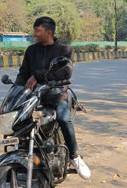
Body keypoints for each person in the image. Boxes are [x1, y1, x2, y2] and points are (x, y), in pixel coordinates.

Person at [15, 16, 91, 180]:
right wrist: (17, 89)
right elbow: (23, 73)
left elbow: (64, 73)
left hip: (56, 95)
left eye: (38, 30)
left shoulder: (65, 50)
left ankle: (74, 156)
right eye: (34, 30)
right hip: (34, 96)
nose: (34, 34)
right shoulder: (31, 50)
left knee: (64, 119)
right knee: (17, 120)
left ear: (48, 32)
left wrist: (37, 75)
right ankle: (20, 156)